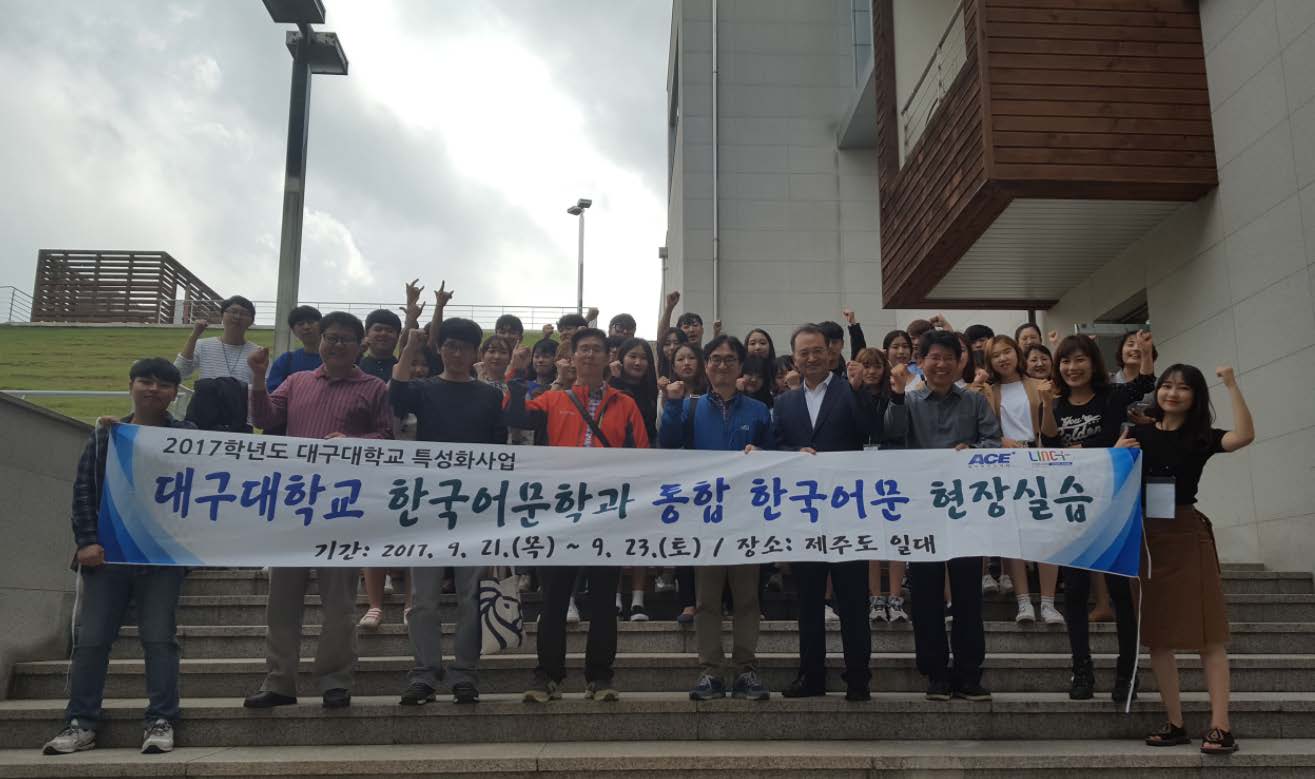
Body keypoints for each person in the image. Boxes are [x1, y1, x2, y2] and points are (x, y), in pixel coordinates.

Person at [42, 359, 194, 757]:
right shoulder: (106, 436)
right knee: (91, 641)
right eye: (146, 381)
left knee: (160, 640)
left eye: (164, 384)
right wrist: (86, 541)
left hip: (161, 559)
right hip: (107, 557)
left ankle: (161, 719)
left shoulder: (188, 437)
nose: (153, 389)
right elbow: (83, 491)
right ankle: (80, 722)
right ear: (130, 386)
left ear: (174, 394)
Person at [242, 312, 392, 711]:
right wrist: (258, 378)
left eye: (345, 339)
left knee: (340, 604)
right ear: (320, 340)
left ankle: (335, 681)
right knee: (281, 602)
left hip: (343, 507)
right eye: (330, 337)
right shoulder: (297, 381)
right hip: (295, 504)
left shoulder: (374, 387)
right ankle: (279, 681)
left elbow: (387, 437)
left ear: (360, 345)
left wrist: (355, 441)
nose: (336, 344)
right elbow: (264, 418)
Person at [506, 327, 651, 703]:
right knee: (554, 597)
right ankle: (546, 676)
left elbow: (642, 456)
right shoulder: (553, 399)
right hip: (560, 513)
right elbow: (516, 415)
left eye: (596, 350)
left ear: (608, 358)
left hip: (607, 513)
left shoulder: (625, 404)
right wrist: (517, 373)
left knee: (603, 598)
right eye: (582, 349)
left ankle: (600, 677)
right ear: (571, 357)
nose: (589, 355)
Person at [1136, 364, 1253, 755]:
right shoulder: (1137, 434)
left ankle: (1221, 727)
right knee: (1157, 637)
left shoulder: (1201, 436)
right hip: (1146, 536)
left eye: (1183, 388)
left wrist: (1231, 385)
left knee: (1209, 634)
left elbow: (1244, 436)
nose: (1172, 393)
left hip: (1187, 532)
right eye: (1167, 386)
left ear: (1195, 397)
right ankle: (1175, 723)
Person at [390, 318, 505, 705]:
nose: (456, 353)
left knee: (471, 596)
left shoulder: (490, 397)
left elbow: (499, 449)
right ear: (440, 350)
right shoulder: (423, 389)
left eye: (464, 347)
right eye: (450, 346)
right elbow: (396, 393)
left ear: (475, 354)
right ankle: (424, 672)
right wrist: (410, 346)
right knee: (423, 597)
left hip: (475, 507)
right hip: (428, 504)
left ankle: (465, 672)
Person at [884, 329, 1000, 703]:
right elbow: (892, 438)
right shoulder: (908, 401)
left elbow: (993, 443)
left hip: (965, 511)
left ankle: (969, 673)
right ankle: (935, 673)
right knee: (926, 596)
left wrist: (974, 450)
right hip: (921, 512)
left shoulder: (975, 401)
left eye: (949, 357)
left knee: (968, 595)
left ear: (960, 362)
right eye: (934, 357)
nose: (942, 364)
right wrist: (896, 396)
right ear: (920, 362)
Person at [660, 335, 774, 701]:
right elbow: (667, 444)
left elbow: (776, 457)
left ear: (740, 366)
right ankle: (710, 671)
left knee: (747, 599)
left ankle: (745, 670)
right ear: (705, 365)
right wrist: (672, 406)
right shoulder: (689, 406)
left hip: (746, 516)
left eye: (729, 359)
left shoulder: (759, 410)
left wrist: (763, 452)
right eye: (715, 359)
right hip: (705, 517)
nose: (722, 365)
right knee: (707, 599)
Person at [1043, 332, 1154, 702]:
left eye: (1080, 360)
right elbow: (1051, 448)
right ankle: (1082, 671)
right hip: (1073, 507)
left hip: (1115, 505)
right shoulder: (1056, 404)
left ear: (1094, 363)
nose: (1072, 367)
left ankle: (1127, 674)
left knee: (1121, 590)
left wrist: (1144, 351)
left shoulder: (1112, 396)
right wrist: (1101, 447)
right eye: (1065, 361)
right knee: (1075, 591)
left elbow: (1145, 383)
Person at [771, 324, 879, 701]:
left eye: (818, 350)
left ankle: (858, 677)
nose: (812, 358)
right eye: (804, 353)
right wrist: (793, 455)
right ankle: (811, 675)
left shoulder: (849, 390)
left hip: (848, 509)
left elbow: (872, 430)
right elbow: (776, 446)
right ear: (794, 358)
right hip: (805, 513)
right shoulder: (784, 402)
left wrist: (860, 391)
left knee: (853, 599)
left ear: (830, 352)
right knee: (809, 600)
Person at [983, 335, 1061, 625]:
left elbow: (1052, 430)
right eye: (995, 356)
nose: (1003, 359)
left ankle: (1049, 603)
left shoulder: (1039, 385)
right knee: (1014, 534)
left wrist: (1048, 404)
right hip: (1006, 463)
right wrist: (1000, 439)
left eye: (1007, 352)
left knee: (1046, 532)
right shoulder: (988, 391)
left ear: (1017, 353)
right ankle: (1023, 601)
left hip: (1040, 459)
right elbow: (983, 429)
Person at [174, 295, 260, 385]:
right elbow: (179, 373)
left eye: (244, 313)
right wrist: (194, 336)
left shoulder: (257, 352)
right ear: (222, 315)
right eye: (233, 311)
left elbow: (264, 385)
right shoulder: (203, 345)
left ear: (251, 321)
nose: (237, 317)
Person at [266, 305, 323, 392]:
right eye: (300, 324)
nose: (306, 327)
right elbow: (274, 393)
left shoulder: (338, 358)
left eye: (311, 322)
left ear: (322, 326)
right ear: (293, 331)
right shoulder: (286, 361)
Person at [359, 309, 402, 383]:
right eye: (378, 329)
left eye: (389, 330)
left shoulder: (403, 370)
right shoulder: (354, 367)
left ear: (398, 336)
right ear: (366, 334)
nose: (383, 333)